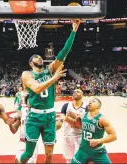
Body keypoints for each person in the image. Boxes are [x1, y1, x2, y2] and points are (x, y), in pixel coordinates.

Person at [19, 20, 81, 164]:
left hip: (50, 116)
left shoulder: (50, 69)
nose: (39, 57)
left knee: (49, 156)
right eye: (36, 57)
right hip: (34, 117)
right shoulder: (27, 74)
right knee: (28, 153)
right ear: (31, 63)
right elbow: (37, 88)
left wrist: (74, 31)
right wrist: (54, 79)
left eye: (40, 56)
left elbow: (64, 52)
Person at [69, 98, 117, 164]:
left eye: (93, 101)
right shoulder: (83, 116)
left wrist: (98, 141)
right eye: (89, 101)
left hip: (98, 152)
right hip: (83, 150)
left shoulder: (102, 119)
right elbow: (79, 124)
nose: (90, 102)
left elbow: (113, 136)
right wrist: (71, 120)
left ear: (98, 106)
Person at [56, 89, 88, 163]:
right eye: (74, 92)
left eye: (78, 91)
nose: (76, 92)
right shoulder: (66, 105)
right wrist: (55, 128)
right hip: (67, 136)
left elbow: (84, 124)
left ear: (82, 95)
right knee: (69, 160)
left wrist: (70, 118)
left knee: (78, 160)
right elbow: (61, 120)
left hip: (80, 136)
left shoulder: (86, 107)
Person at [9, 89, 38, 163]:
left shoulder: (37, 113)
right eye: (28, 100)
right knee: (17, 162)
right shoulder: (21, 112)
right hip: (21, 142)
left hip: (31, 144)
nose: (29, 102)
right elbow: (14, 130)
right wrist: (10, 124)